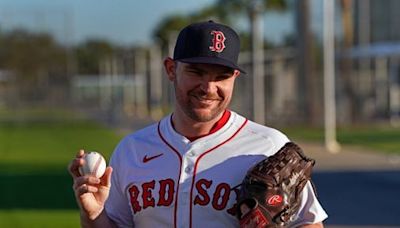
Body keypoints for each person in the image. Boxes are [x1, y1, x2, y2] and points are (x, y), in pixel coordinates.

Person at [69, 20, 328, 228]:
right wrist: (92, 216)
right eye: (197, 72)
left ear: (235, 77)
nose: (208, 88)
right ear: (171, 70)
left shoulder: (270, 146)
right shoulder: (131, 151)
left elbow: (309, 223)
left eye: (221, 76)